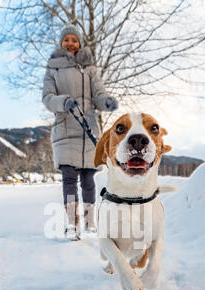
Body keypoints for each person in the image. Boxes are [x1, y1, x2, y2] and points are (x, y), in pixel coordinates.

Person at [42, 24, 118, 240]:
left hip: (88, 129)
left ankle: (89, 222)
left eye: (74, 39)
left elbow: (98, 94)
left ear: (80, 43)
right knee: (68, 177)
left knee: (88, 179)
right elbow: (47, 98)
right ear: (61, 42)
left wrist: (106, 102)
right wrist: (63, 101)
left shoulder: (90, 68)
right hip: (66, 127)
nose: (70, 43)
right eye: (66, 39)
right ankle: (72, 224)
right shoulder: (53, 68)